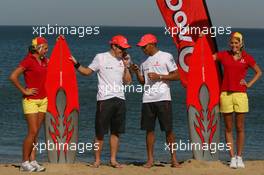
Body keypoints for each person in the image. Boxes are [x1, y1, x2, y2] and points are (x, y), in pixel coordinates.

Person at [70, 35, 132, 168]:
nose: (123, 50)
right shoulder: (101, 57)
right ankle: (97, 161)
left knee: (116, 132)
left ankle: (113, 160)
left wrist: (127, 66)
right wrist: (76, 64)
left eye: (125, 48)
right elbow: (87, 72)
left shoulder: (125, 59)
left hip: (120, 99)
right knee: (100, 132)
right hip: (105, 100)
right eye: (121, 47)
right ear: (114, 46)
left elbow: (128, 81)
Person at [131, 34, 180, 168]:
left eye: (144, 46)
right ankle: (150, 160)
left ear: (152, 44)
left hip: (163, 98)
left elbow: (177, 75)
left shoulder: (166, 56)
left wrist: (159, 76)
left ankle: (174, 159)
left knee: (168, 130)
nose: (143, 49)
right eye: (141, 47)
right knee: (149, 130)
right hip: (147, 99)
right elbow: (143, 82)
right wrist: (137, 73)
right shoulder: (144, 62)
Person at [213, 32, 262, 168]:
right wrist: (200, 40)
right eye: (232, 43)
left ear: (241, 43)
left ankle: (239, 157)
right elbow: (208, 58)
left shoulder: (247, 57)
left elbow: (259, 72)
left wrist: (249, 84)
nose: (234, 45)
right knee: (228, 128)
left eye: (236, 43)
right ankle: (232, 157)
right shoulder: (223, 55)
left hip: (240, 95)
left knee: (240, 128)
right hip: (226, 95)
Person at [9, 37, 49, 172]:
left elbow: (56, 63)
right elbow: (13, 76)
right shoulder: (28, 60)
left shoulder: (44, 60)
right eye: (45, 48)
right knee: (32, 131)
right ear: (38, 48)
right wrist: (24, 90)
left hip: (43, 100)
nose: (46, 50)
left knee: (36, 133)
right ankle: (24, 162)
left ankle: (33, 160)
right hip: (30, 101)